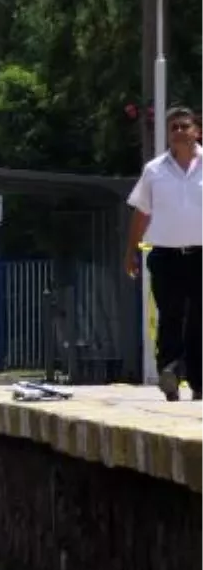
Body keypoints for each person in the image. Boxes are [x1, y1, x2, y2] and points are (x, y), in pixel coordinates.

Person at [125, 106, 203, 402]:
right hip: (166, 255)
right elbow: (142, 213)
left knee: (199, 320)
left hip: (201, 255)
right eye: (174, 128)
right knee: (170, 316)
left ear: (197, 130)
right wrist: (130, 250)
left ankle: (200, 381)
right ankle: (169, 372)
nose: (180, 132)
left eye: (185, 126)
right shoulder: (154, 170)